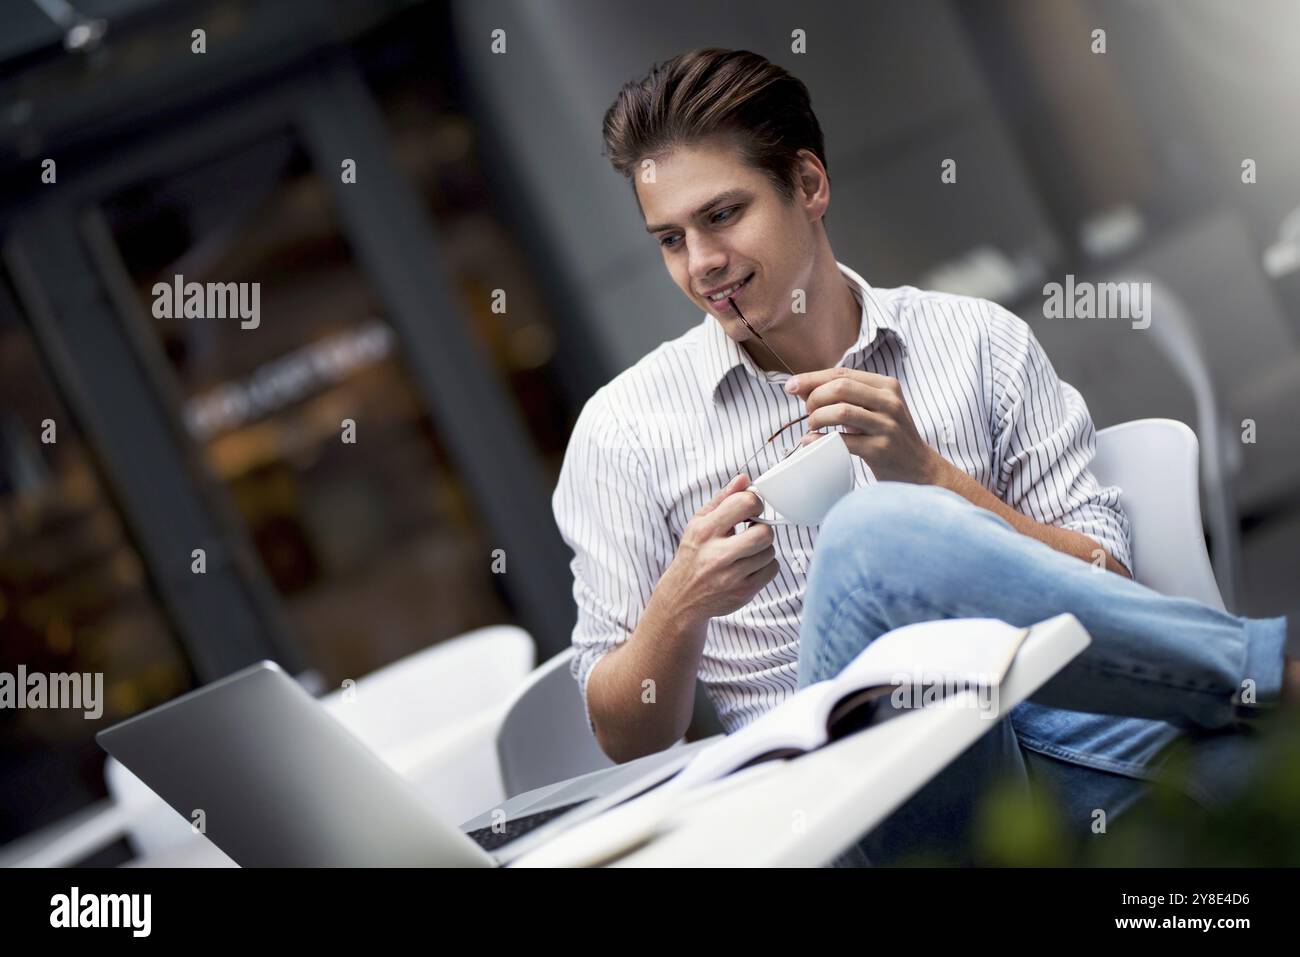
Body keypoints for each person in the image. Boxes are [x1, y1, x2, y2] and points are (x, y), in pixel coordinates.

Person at [551, 47, 1297, 864]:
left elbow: (1111, 587)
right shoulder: (622, 431)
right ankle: (1262, 675)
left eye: (723, 215)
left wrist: (933, 477)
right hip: (840, 813)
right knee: (870, 535)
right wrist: (681, 603)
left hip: (1051, 743)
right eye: (669, 239)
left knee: (1256, 785)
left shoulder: (978, 344)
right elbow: (626, 733)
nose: (701, 265)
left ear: (808, 184)